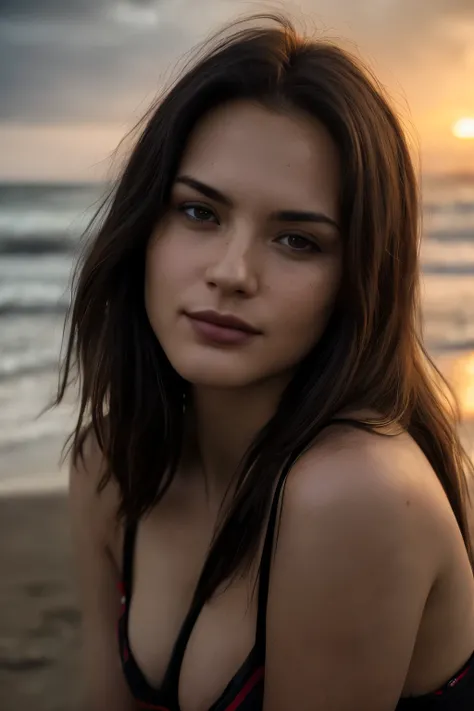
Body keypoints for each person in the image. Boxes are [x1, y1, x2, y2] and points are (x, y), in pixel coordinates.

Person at [55, 13, 474, 711]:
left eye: (297, 241)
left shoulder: (352, 495)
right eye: (199, 213)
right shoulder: (110, 463)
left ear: (359, 277)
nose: (231, 272)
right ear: (144, 228)